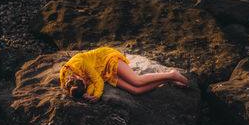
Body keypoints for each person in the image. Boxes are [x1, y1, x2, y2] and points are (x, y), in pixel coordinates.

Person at [60, 47, 189, 103]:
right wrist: (88, 94)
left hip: (106, 58)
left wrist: (97, 96)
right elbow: (89, 84)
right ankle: (167, 80)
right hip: (104, 72)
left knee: (137, 81)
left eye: (82, 80)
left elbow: (97, 81)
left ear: (77, 77)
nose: (84, 80)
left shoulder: (79, 63)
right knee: (136, 90)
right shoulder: (69, 83)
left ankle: (172, 74)